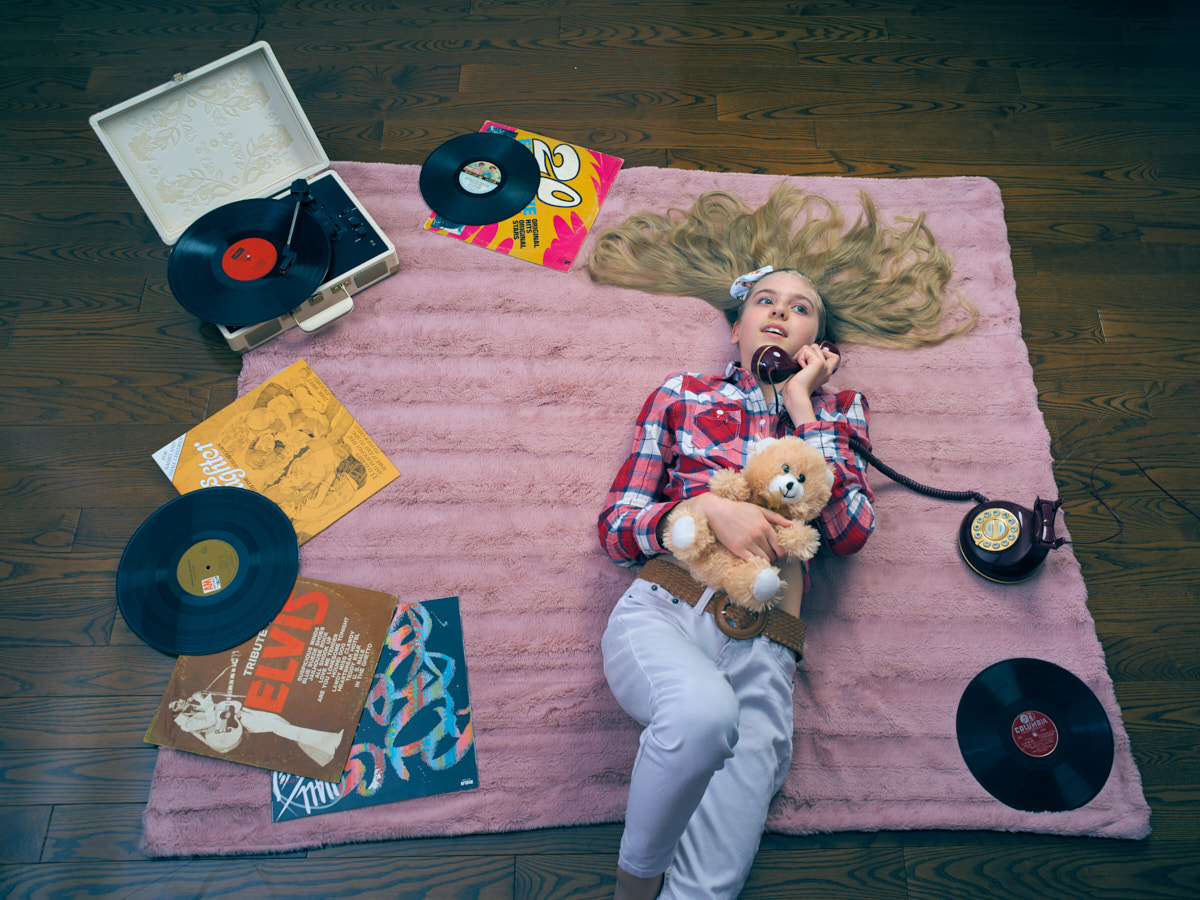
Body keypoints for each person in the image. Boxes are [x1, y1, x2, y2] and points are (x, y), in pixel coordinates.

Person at [590, 185, 974, 899]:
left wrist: (803, 410)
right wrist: (705, 507)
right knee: (701, 716)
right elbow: (616, 528)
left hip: (769, 643)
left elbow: (851, 532)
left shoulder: (838, 413)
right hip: (666, 608)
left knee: (712, 885)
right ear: (737, 327)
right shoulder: (680, 394)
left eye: (801, 309)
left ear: (817, 347)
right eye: (767, 301)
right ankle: (630, 889)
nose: (781, 313)